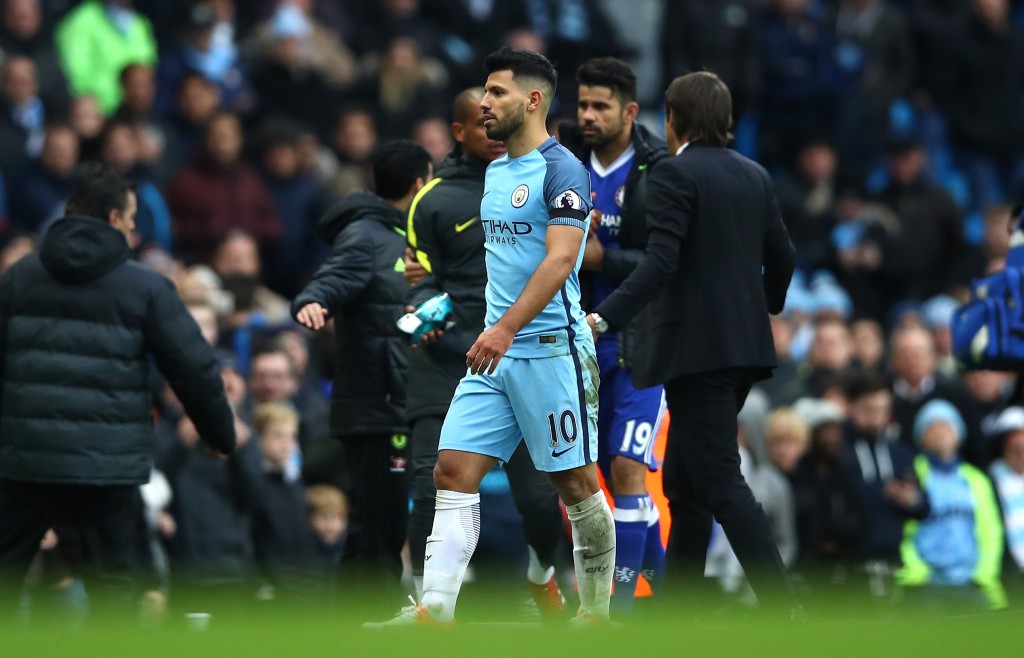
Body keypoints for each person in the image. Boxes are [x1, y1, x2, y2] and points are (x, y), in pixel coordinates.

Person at [389, 47, 613, 626]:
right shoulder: (495, 171)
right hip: (496, 355)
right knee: (452, 469)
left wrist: (504, 329)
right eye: (484, 93)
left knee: (577, 484)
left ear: (532, 100)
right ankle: (434, 611)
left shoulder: (562, 168)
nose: (484, 103)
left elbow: (563, 260)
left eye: (497, 92)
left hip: (548, 351)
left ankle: (596, 616)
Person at [588, 71, 798, 613]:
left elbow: (662, 261)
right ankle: (677, 613)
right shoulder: (754, 174)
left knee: (722, 481)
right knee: (685, 481)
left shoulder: (674, 174)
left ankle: (785, 609)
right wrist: (765, 305)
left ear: (674, 119)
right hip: (745, 349)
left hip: (696, 352)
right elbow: (785, 257)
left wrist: (605, 317)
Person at [0, 164, 235, 615]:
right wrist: (219, 434)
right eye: (130, 221)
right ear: (112, 220)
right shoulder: (146, 287)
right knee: (114, 591)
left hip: (26, 458)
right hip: (105, 465)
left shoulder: (17, 277)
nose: (133, 231)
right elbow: (193, 369)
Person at [292, 140, 432, 587]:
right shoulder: (366, 237)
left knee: (373, 533)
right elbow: (329, 280)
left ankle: (353, 631)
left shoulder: (401, 236)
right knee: (380, 533)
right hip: (375, 407)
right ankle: (378, 625)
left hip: (391, 402)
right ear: (419, 183)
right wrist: (313, 301)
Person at [558, 57, 669, 616]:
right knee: (598, 477)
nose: (588, 116)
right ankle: (669, 595)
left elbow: (670, 260)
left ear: (630, 110)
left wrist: (606, 257)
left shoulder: (659, 169)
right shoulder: (564, 164)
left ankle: (613, 614)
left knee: (627, 469)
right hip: (576, 342)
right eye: (582, 105)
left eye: (600, 106)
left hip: (641, 342)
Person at [896, 400, 1006, 612]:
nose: (940, 432)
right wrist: (918, 572)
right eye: (932, 427)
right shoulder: (910, 474)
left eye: (946, 426)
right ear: (921, 437)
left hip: (972, 585)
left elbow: (991, 531)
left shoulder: (976, 480)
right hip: (926, 587)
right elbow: (900, 529)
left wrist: (983, 575)